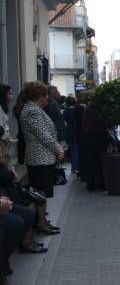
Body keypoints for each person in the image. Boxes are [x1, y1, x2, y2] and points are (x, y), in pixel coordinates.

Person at [17, 82, 64, 233]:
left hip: (41, 157)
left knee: (41, 193)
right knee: (40, 193)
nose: (47, 99)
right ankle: (41, 223)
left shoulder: (34, 109)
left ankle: (43, 221)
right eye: (45, 95)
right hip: (39, 158)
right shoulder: (32, 111)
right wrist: (58, 149)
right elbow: (43, 135)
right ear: (38, 96)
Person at [62, 96, 79, 172]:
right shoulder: (75, 110)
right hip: (75, 132)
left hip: (69, 132)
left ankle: (74, 167)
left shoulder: (65, 111)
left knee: (73, 150)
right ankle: (76, 167)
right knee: (76, 150)